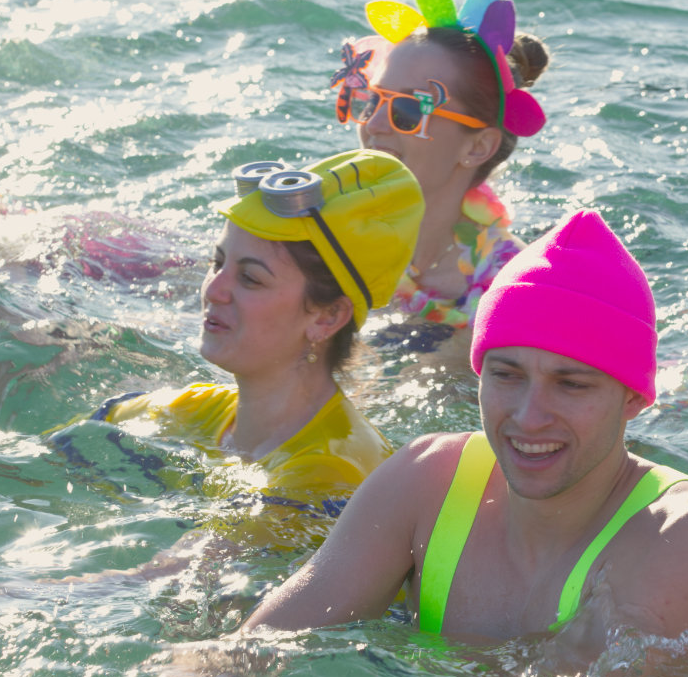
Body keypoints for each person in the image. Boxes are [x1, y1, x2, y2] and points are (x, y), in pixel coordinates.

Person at [240, 208, 688, 667]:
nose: (529, 417)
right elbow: (255, 651)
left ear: (633, 398)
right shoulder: (426, 481)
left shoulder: (686, 541)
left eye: (571, 384)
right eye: (507, 375)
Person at [53, 149, 422, 564]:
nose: (213, 290)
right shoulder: (198, 411)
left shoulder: (330, 473)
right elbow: (38, 455)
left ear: (328, 316)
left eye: (249, 278)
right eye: (217, 262)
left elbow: (165, 578)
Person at [330, 0, 548, 351]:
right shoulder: (317, 233)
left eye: (409, 109)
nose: (374, 125)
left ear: (477, 147)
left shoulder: (512, 292)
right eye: (374, 101)